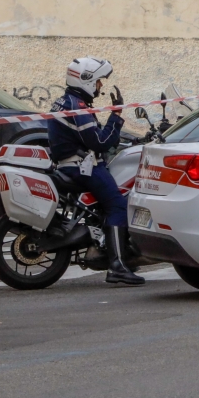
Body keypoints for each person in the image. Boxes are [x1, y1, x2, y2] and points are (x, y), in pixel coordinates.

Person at [47, 57, 144, 286]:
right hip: (81, 167)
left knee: (107, 205)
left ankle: (107, 249)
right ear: (86, 79)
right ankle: (118, 266)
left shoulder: (65, 101)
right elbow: (100, 142)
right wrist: (116, 116)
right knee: (118, 206)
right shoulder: (77, 107)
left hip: (71, 164)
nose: (100, 87)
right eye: (99, 82)